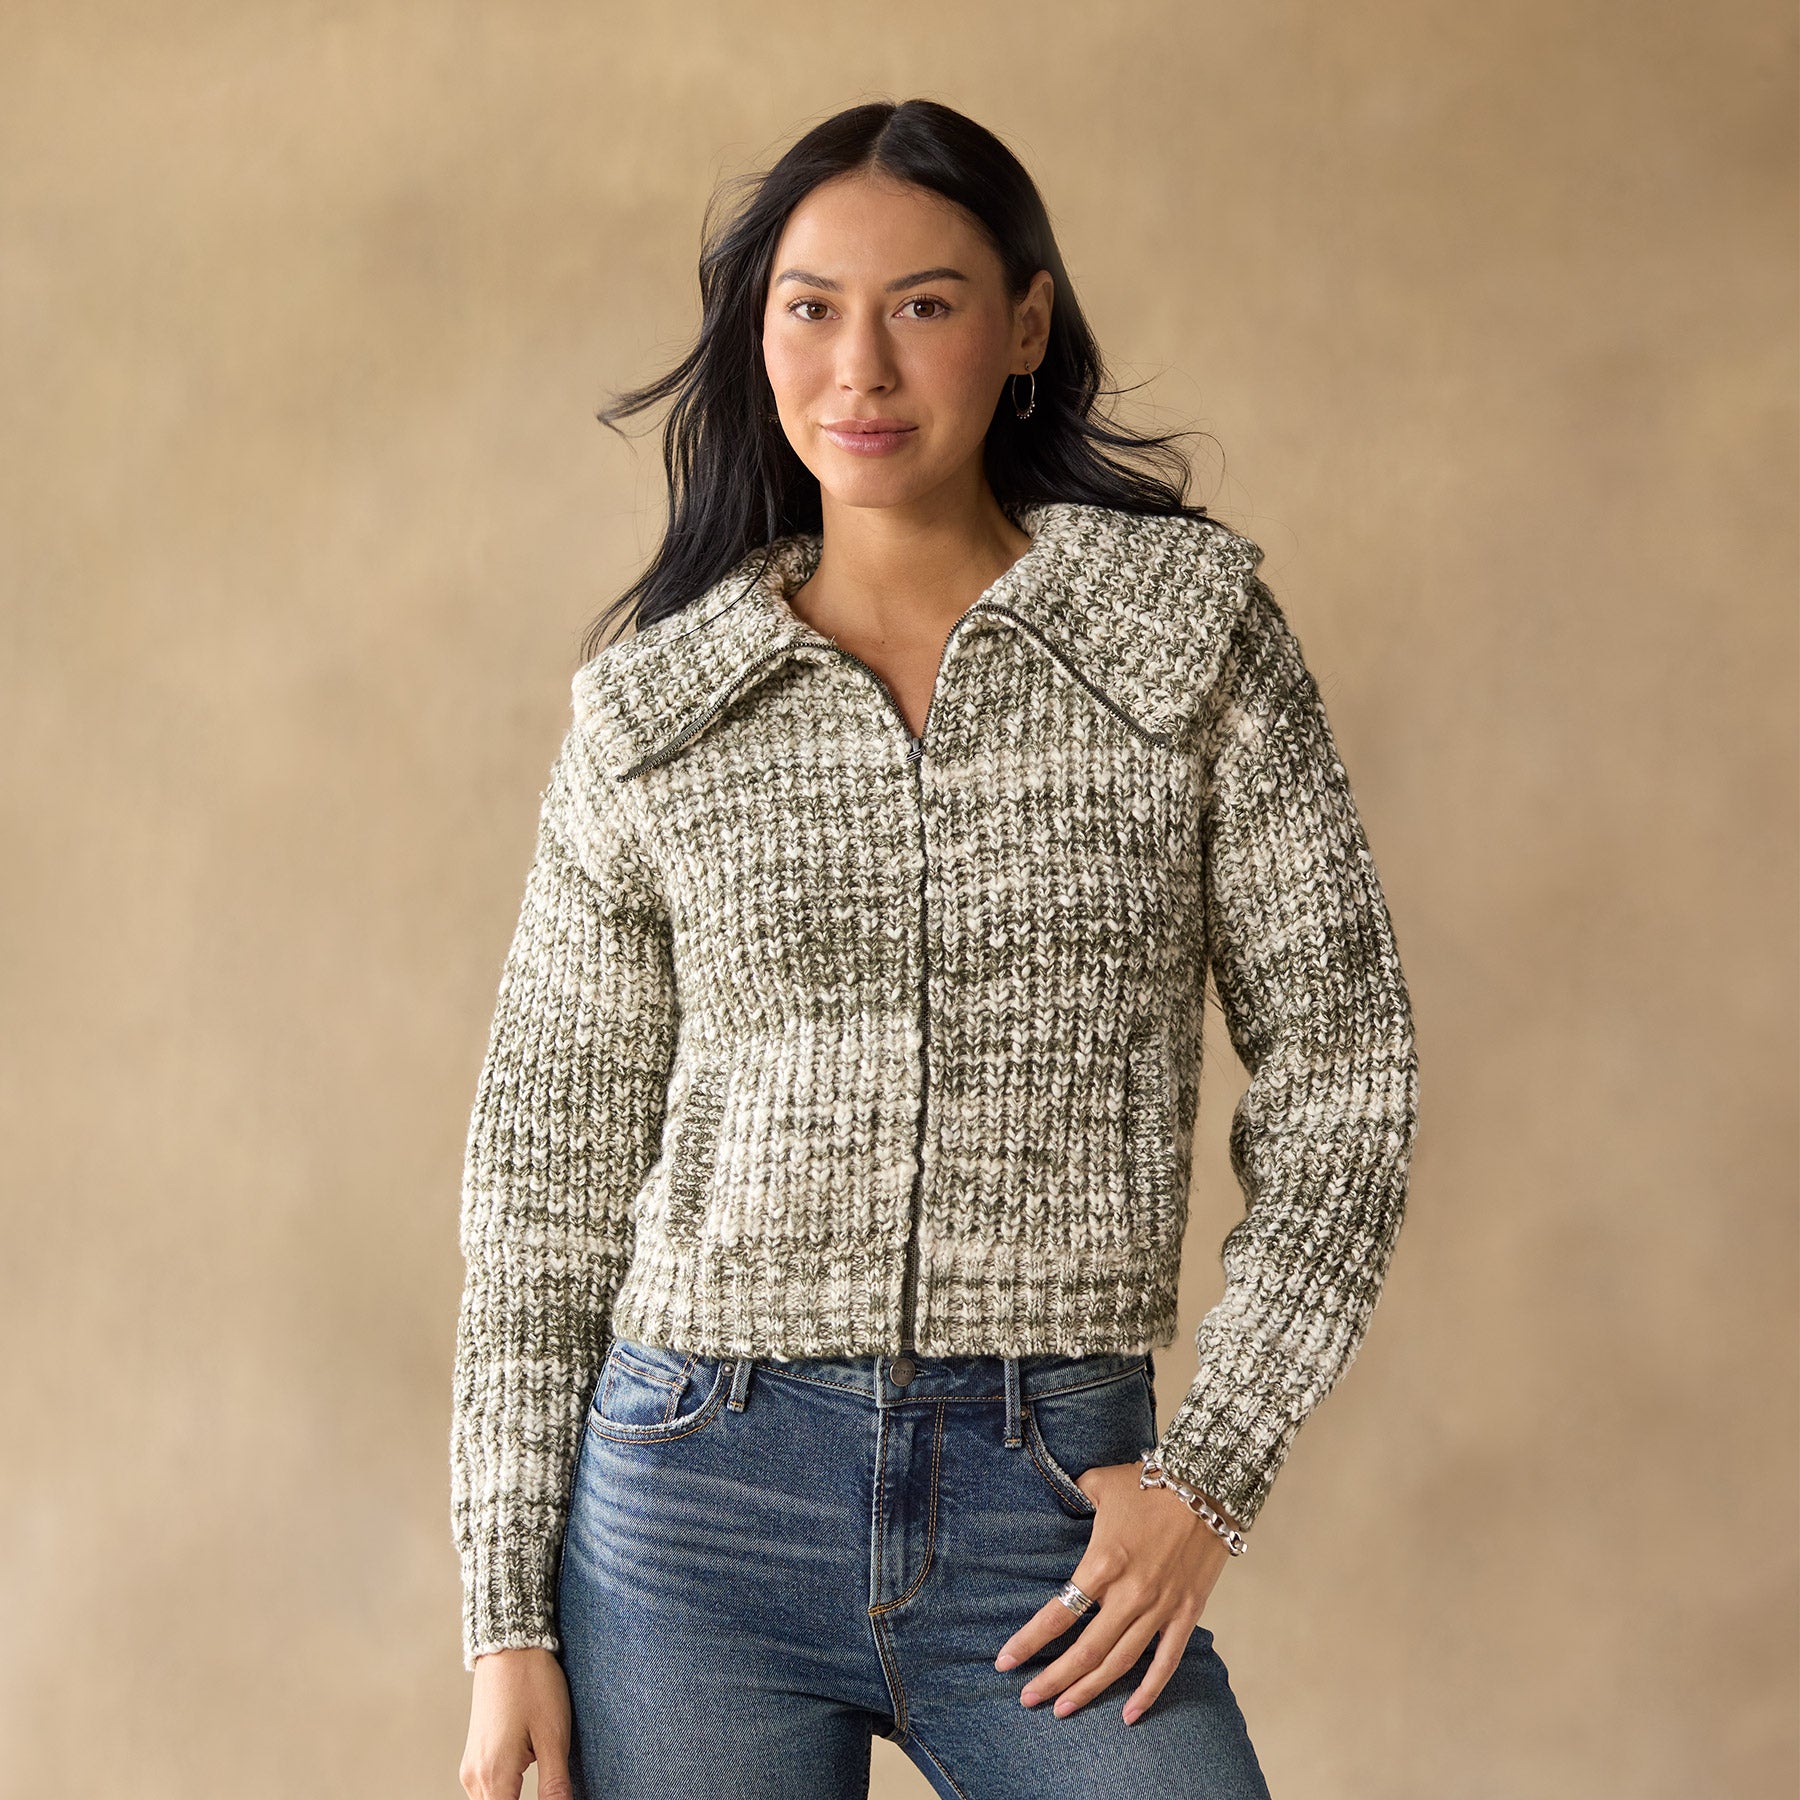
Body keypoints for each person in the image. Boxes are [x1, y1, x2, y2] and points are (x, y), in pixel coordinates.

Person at [451, 97, 1419, 1800]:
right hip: (690, 1515)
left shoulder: (1183, 644)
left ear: (1026, 326)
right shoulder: (659, 713)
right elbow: (545, 1186)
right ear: (759, 338)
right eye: (811, 308)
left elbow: (1349, 1076)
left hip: (1051, 1501)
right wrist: (504, 1621)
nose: (863, 369)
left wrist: (1211, 1473)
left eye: (924, 304)